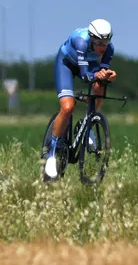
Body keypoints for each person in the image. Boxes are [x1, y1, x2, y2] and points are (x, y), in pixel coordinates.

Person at [46, 19, 117, 179]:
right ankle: (51, 153)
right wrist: (96, 75)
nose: (102, 47)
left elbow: (101, 71)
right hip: (66, 64)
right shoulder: (81, 41)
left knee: (100, 86)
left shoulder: (109, 49)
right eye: (98, 43)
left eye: (105, 43)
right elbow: (85, 75)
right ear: (91, 38)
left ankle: (89, 122)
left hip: (87, 64)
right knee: (67, 107)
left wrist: (107, 75)